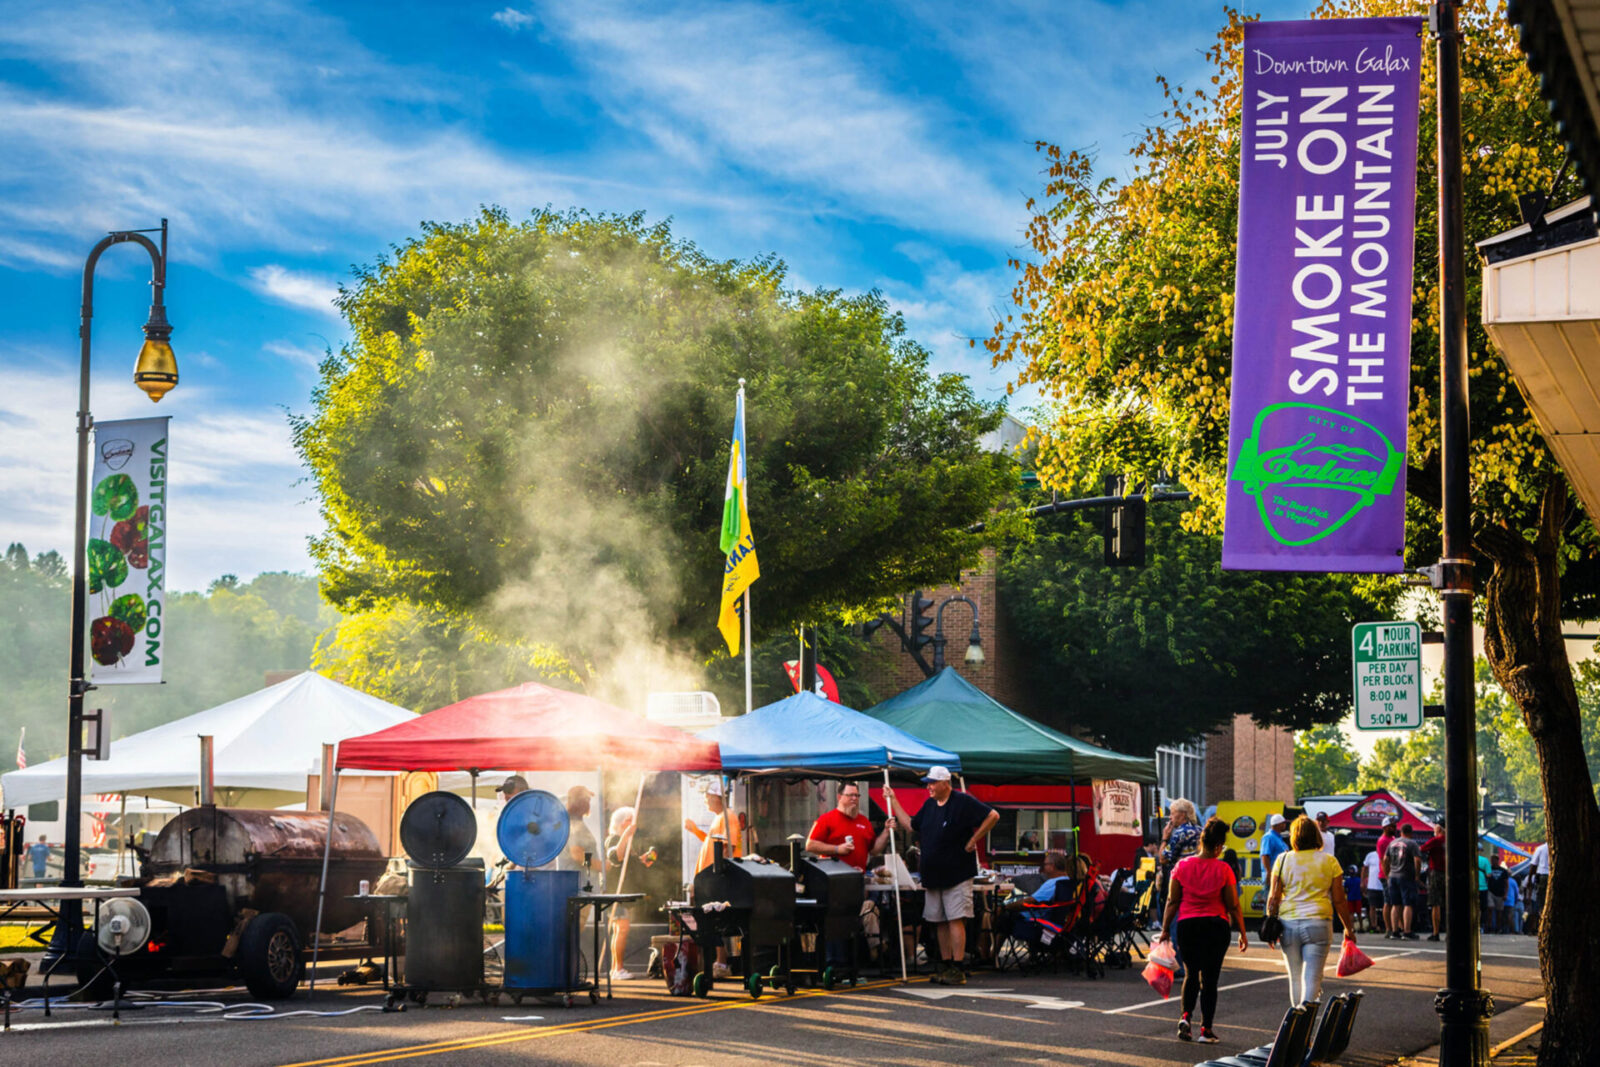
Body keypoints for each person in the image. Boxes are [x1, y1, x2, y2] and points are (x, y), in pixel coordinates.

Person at [885, 766, 998, 986]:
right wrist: (894, 799)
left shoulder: (962, 802)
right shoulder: (929, 805)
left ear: (946, 783)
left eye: (933, 783)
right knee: (938, 920)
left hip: (957, 873)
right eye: (928, 783)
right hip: (933, 875)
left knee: (955, 918)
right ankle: (946, 965)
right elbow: (910, 825)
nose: (929, 787)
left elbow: (993, 815)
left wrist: (974, 840)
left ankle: (958, 967)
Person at [1155, 817, 1248, 1046]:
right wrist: (1243, 932)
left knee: (1191, 973)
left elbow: (1172, 900)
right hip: (1215, 926)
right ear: (1218, 846)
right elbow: (1233, 904)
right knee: (1210, 979)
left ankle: (1185, 1017)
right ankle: (1206, 1029)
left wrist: (1166, 929)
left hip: (1188, 925)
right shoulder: (1224, 869)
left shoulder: (1182, 866)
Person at [1264, 815, 1357, 1007]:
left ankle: (1296, 1027)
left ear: (1293, 836)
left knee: (1295, 977)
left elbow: (1274, 897)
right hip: (1319, 923)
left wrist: (1270, 925)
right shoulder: (1330, 861)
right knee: (1312, 978)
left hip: (1288, 924)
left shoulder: (1282, 860)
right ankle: (1305, 1026)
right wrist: (1349, 928)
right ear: (1317, 835)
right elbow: (1339, 900)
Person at [693, 779, 742, 979]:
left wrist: (715, 876)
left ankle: (721, 963)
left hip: (719, 878)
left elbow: (723, 846)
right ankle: (718, 962)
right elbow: (711, 844)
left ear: (716, 796)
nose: (705, 799)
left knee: (719, 919)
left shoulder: (727, 816)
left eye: (707, 796)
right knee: (714, 919)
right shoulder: (720, 817)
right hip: (712, 878)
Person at [1161, 799, 1203, 978]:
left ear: (1182, 815)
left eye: (1172, 813)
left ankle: (1179, 966)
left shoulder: (1179, 833)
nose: (1170, 817)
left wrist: (1165, 838)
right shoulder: (1201, 832)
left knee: (1175, 924)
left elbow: (1164, 858)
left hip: (1181, 882)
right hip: (1199, 882)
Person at [806, 783, 889, 871]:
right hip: (834, 878)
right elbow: (810, 845)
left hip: (858, 877)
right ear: (839, 797)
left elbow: (874, 851)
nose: (854, 798)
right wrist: (837, 849)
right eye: (850, 795)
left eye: (857, 795)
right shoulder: (826, 819)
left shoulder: (864, 821)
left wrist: (886, 831)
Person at [604, 806, 639, 981]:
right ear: (622, 822)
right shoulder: (614, 839)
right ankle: (617, 968)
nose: (634, 823)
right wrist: (626, 834)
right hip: (616, 893)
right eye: (630, 820)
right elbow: (615, 856)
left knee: (620, 929)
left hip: (624, 894)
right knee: (621, 929)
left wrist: (643, 859)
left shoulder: (626, 841)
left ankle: (615, 968)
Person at [1383, 823, 1422, 939]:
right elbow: (1418, 860)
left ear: (1401, 832)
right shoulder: (1412, 843)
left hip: (1393, 876)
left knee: (1395, 904)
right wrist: (1417, 875)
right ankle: (1407, 931)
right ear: (1411, 833)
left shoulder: (1392, 843)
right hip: (1406, 876)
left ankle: (1394, 931)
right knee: (1408, 904)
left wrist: (1387, 874)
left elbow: (1385, 860)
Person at [557, 784, 599, 876]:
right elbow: (577, 855)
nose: (589, 804)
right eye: (587, 800)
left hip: (580, 884)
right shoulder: (574, 824)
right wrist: (599, 865)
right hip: (580, 886)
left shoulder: (572, 822)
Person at [1419, 826, 1446, 941]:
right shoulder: (1450, 840)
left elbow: (1421, 849)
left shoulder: (1436, 840)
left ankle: (1436, 932)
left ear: (1439, 830)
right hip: (1449, 874)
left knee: (1435, 904)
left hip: (1436, 872)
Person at [1375, 816, 1399, 935]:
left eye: (1395, 826)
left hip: (1395, 873)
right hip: (1386, 875)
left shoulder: (1394, 838)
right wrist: (1387, 876)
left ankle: (1397, 926)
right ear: (1385, 827)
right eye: (1392, 826)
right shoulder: (1382, 841)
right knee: (1388, 901)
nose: (1394, 828)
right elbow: (1383, 860)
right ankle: (1388, 928)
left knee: (1395, 901)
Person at [1360, 846, 1385, 932]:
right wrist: (1363, 881)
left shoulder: (1387, 854)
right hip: (1372, 885)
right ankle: (1373, 925)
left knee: (1386, 905)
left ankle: (1386, 925)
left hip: (1384, 885)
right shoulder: (1371, 855)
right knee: (1372, 906)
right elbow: (1364, 868)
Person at [1259, 813, 1290, 880]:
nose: (1285, 825)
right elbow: (1265, 855)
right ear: (1278, 824)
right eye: (1283, 823)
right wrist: (1269, 872)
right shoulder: (1268, 837)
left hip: (1280, 876)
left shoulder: (1278, 838)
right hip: (1272, 877)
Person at [1486, 853, 1509, 935]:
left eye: (1494, 860)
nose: (1492, 861)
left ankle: (1498, 928)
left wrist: (1505, 894)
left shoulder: (1503, 871)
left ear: (1497, 860)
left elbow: (1506, 883)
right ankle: (1489, 927)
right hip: (1490, 892)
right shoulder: (1488, 869)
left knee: (1499, 912)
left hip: (1500, 893)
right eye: (1491, 860)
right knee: (1490, 908)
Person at [1475, 844, 1492, 932]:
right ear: (1480, 850)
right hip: (1482, 888)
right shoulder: (1485, 860)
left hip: (1471, 888)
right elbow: (1489, 874)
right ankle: (1481, 926)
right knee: (1482, 908)